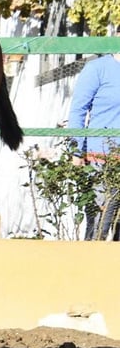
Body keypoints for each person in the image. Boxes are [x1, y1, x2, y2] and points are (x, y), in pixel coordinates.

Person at [68, 29, 120, 241]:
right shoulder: (98, 69)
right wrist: (76, 151)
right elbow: (78, 110)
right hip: (102, 158)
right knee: (100, 224)